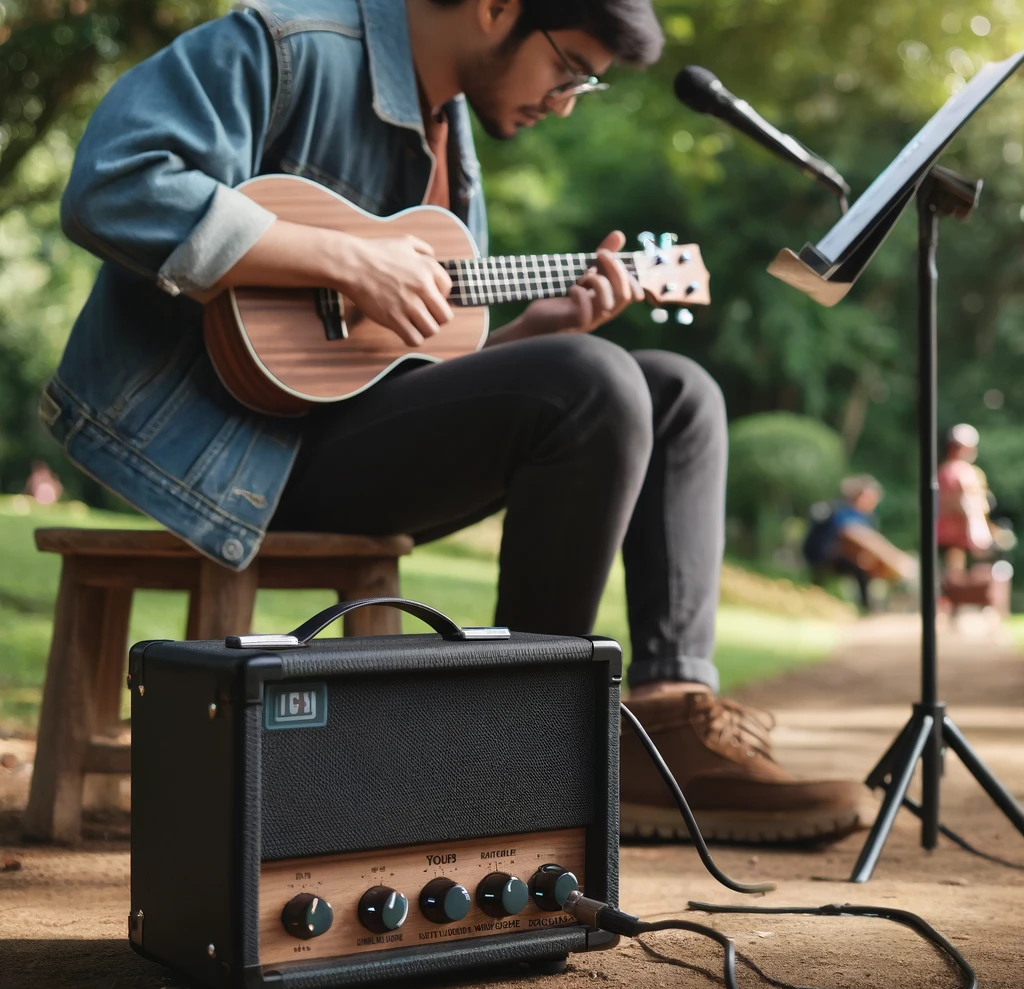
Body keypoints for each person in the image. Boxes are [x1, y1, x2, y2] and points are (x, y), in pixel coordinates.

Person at [42, 0, 869, 844]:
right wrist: (345, 256)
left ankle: (665, 725)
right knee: (595, 382)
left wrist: (531, 341)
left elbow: (396, 366)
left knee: (677, 392)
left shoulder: (451, 138)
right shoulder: (288, 46)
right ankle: (511, 752)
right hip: (222, 449)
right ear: (494, 9)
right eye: (570, 68)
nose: (569, 100)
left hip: (337, 440)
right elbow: (115, 183)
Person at [803, 475, 889, 612]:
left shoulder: (866, 517)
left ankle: (866, 608)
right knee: (861, 569)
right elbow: (851, 535)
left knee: (866, 567)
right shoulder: (841, 511)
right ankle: (865, 608)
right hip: (825, 555)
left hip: (839, 557)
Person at [937, 424, 994, 573]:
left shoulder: (943, 471)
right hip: (961, 539)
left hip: (947, 537)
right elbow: (969, 506)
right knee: (959, 580)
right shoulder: (964, 473)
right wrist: (981, 535)